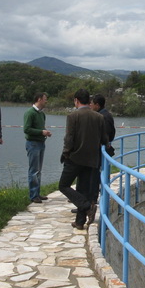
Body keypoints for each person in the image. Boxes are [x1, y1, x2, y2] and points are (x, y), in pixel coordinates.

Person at [59, 89, 109, 230]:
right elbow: (104, 138)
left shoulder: (73, 116)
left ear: (76, 100)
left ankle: (87, 207)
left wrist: (65, 153)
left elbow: (69, 138)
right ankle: (79, 222)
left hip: (75, 158)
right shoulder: (99, 117)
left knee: (63, 185)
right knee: (82, 190)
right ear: (88, 100)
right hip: (92, 160)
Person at [24, 92, 52, 203]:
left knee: (38, 170)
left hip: (41, 143)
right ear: (39, 99)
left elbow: (40, 128)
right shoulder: (29, 113)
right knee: (34, 171)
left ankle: (37, 193)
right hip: (33, 144)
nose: (46, 101)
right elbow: (26, 129)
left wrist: (45, 133)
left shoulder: (42, 114)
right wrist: (41, 132)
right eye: (45, 99)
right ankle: (33, 195)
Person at [88, 93, 116, 205]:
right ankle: (97, 197)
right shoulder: (106, 114)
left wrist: (103, 142)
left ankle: (93, 200)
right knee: (98, 175)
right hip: (101, 148)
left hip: (100, 150)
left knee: (95, 175)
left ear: (97, 105)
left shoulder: (103, 117)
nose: (90, 106)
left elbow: (107, 133)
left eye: (92, 104)